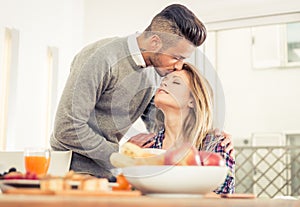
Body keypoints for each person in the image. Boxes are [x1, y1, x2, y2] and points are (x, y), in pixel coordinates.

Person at [50, 4, 233, 178]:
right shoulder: (100, 57)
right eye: (176, 57)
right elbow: (66, 128)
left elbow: (162, 125)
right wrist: (123, 153)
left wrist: (213, 136)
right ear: (155, 42)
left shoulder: (156, 73)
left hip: (110, 173)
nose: (179, 66)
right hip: (73, 173)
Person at [139, 62, 235, 194]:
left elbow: (222, 199)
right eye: (164, 80)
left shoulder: (215, 145)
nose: (164, 84)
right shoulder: (148, 148)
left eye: (176, 83)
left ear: (192, 100)